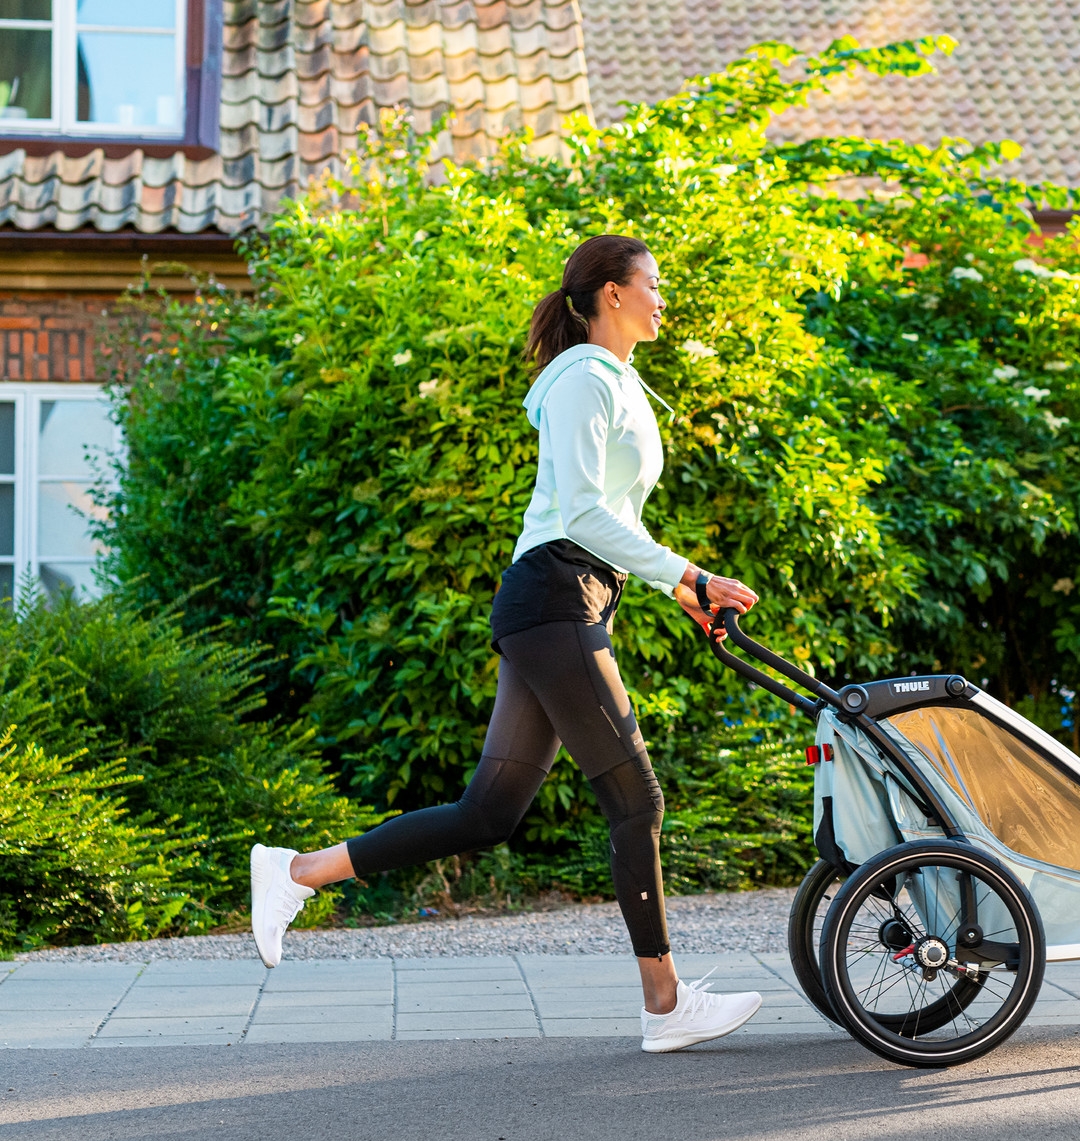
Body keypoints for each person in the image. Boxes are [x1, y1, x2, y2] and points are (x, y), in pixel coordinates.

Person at [249, 234, 766, 1053]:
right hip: (556, 595)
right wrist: (693, 575)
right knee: (637, 800)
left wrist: (679, 589)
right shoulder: (580, 382)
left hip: (570, 597)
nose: (664, 297)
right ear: (610, 293)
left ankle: (297, 871)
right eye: (653, 284)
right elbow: (588, 516)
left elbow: (611, 523)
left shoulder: (613, 380)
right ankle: (665, 1007)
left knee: (488, 813)